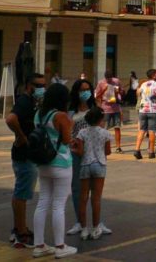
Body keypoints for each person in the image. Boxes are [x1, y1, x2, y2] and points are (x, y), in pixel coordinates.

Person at [31, 82, 77, 258]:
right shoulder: (61, 116)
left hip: (43, 162)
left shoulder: (39, 115)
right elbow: (66, 139)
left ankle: (39, 245)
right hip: (61, 163)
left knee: (43, 202)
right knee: (59, 205)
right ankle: (60, 246)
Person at [6, 73, 45, 249]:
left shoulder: (32, 102)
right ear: (30, 86)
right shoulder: (24, 101)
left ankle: (19, 229)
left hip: (25, 153)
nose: (42, 88)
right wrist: (21, 136)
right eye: (39, 85)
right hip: (24, 154)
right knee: (22, 193)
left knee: (20, 192)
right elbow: (11, 118)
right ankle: (21, 234)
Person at [66, 79, 109, 238]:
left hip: (95, 155)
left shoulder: (95, 108)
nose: (85, 92)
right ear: (76, 92)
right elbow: (68, 131)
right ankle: (80, 222)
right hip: (77, 154)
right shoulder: (71, 111)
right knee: (78, 189)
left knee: (95, 192)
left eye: (87, 89)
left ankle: (97, 222)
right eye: (81, 90)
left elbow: (102, 131)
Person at [73, 107, 112, 241]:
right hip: (99, 165)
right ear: (101, 119)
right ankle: (96, 228)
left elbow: (80, 152)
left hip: (85, 165)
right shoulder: (105, 133)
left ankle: (84, 229)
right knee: (96, 198)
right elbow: (108, 151)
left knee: (83, 198)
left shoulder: (82, 132)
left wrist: (73, 147)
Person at [134, 69, 156, 160]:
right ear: (154, 75)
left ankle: (137, 149)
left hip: (143, 110)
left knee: (142, 130)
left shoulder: (143, 84)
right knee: (152, 131)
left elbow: (138, 93)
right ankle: (151, 151)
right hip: (153, 110)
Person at [94, 71, 123, 153]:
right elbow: (96, 95)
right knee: (104, 128)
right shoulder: (101, 83)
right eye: (107, 79)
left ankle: (118, 147)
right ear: (105, 78)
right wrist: (103, 89)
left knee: (117, 127)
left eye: (110, 79)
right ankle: (103, 146)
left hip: (116, 107)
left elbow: (122, 91)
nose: (109, 80)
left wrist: (119, 91)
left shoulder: (116, 81)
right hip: (105, 108)